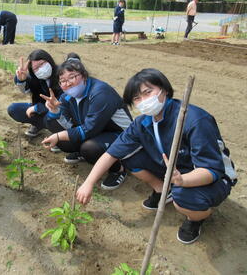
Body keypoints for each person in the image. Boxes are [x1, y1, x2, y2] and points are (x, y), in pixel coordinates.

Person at [76, 68, 236, 244]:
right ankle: (163, 189)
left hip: (211, 175)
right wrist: (88, 183)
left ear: (164, 90)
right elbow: (111, 153)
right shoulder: (142, 123)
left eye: (148, 92)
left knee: (183, 197)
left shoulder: (194, 120)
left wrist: (182, 181)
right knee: (129, 156)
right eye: (137, 98)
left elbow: (212, 169)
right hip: (172, 169)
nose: (144, 101)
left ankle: (196, 219)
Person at [41, 57, 133, 190]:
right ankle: (83, 152)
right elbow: (66, 124)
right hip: (97, 131)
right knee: (60, 137)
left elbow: (89, 129)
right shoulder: (67, 96)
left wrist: (59, 135)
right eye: (62, 81)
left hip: (120, 134)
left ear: (84, 75)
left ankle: (118, 169)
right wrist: (55, 111)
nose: (67, 84)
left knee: (89, 148)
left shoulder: (100, 92)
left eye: (72, 77)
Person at [7, 49, 62, 141]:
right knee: (14, 109)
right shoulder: (35, 78)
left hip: (60, 112)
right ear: (32, 71)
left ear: (49, 60)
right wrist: (21, 80)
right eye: (36, 68)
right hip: (44, 110)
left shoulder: (62, 74)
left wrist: (37, 108)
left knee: (50, 115)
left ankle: (60, 136)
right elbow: (26, 91)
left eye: (42, 64)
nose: (41, 69)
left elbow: (63, 104)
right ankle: (38, 124)